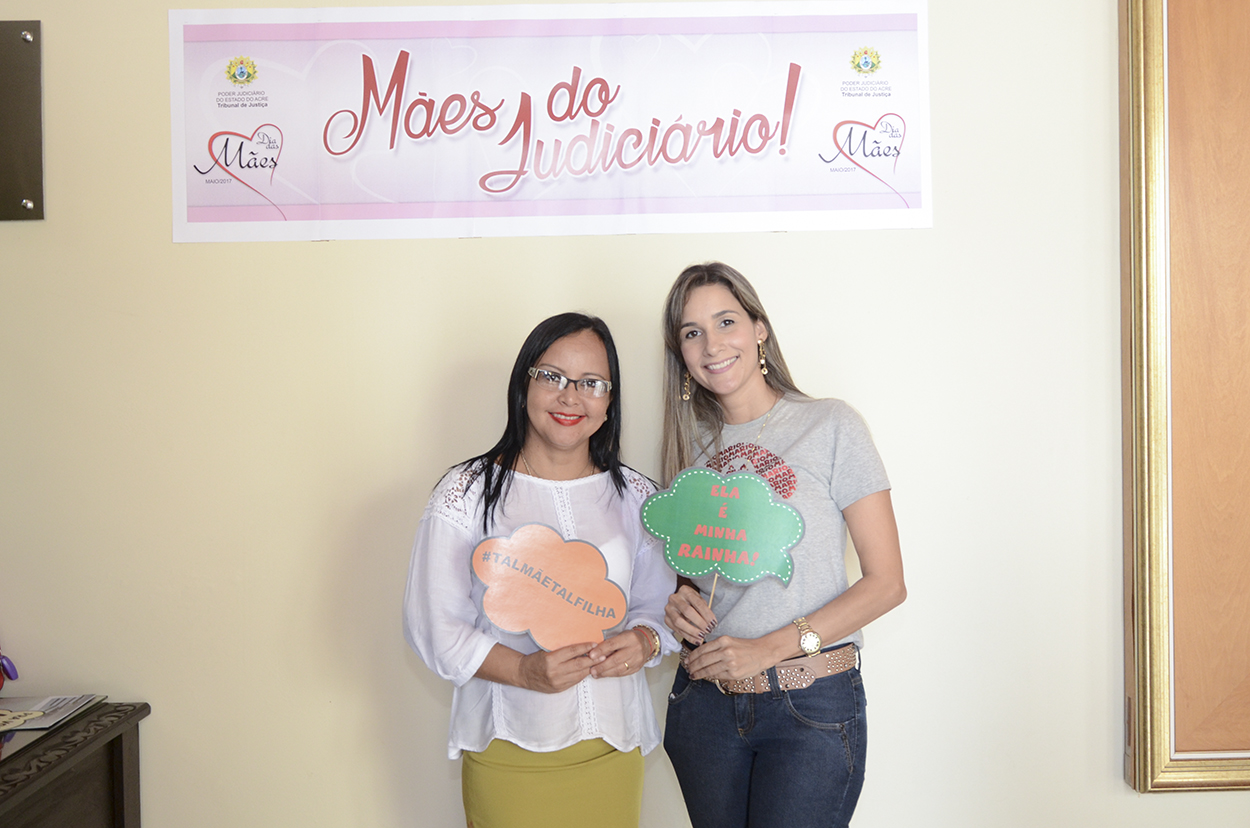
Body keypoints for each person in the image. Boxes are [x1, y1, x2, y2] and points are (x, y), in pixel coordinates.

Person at [403, 312, 676, 828]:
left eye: (591, 383)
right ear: (523, 383)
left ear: (610, 401)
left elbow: (658, 608)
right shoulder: (467, 493)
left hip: (612, 749)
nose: (571, 397)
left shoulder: (638, 498)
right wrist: (524, 671)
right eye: (552, 376)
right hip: (508, 749)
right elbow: (433, 626)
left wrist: (645, 641)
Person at [659, 263, 906, 828]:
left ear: (760, 329)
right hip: (704, 705)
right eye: (692, 332)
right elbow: (694, 570)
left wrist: (769, 648)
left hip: (809, 703)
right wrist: (677, 601)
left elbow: (887, 584)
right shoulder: (688, 446)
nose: (712, 344)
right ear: (681, 354)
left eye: (726, 321)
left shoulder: (831, 425)